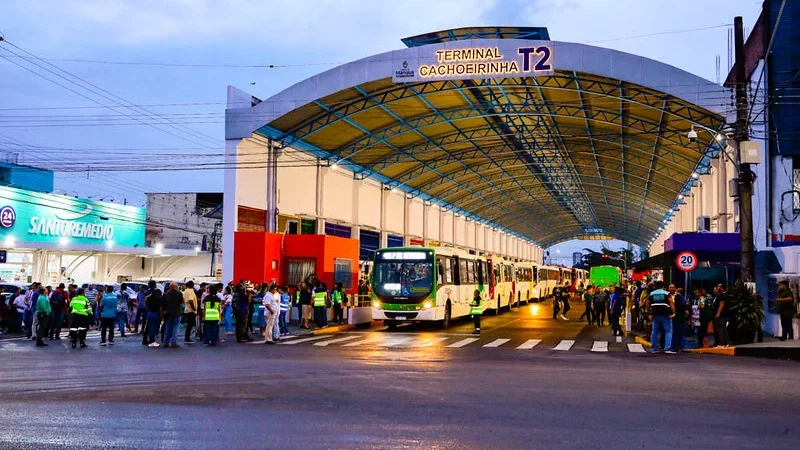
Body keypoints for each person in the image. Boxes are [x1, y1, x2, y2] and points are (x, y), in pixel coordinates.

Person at [647, 281, 675, 354]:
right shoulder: (666, 293)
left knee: (654, 332)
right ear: (663, 286)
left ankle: (654, 348)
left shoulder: (652, 294)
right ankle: (667, 348)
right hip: (665, 315)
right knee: (668, 331)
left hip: (655, 315)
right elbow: (671, 303)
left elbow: (647, 303)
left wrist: (649, 313)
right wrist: (673, 312)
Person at [162, 282, 184, 349]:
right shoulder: (179, 293)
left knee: (168, 328)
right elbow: (182, 302)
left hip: (168, 313)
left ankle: (166, 342)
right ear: (176, 287)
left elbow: (163, 303)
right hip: (176, 313)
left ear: (170, 287)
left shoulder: (166, 294)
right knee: (175, 328)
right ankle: (173, 342)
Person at [144, 281, 164, 347]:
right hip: (156, 312)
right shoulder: (157, 296)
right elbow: (161, 307)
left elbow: (146, 300)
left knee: (149, 325)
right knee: (154, 327)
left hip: (149, 311)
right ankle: (152, 340)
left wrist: (147, 307)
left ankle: (145, 338)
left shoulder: (147, 293)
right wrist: (162, 315)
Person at [671, 286, 689, 351]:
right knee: (679, 332)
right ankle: (679, 346)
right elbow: (680, 306)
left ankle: (675, 346)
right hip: (680, 316)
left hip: (677, 316)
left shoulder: (678, 297)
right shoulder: (678, 297)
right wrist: (685, 309)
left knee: (676, 332)